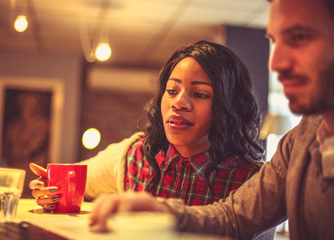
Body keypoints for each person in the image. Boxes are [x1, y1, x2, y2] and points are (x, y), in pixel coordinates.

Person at [87, 0, 334, 239]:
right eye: (275, 41)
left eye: (300, 37)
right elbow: (234, 218)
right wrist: (165, 213)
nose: (275, 63)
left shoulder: (249, 172)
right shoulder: (298, 143)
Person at [29, 40, 265, 211]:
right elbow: (72, 182)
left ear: (228, 106)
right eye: (171, 91)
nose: (178, 103)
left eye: (200, 94)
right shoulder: (133, 155)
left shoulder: (252, 181)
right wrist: (49, 190)